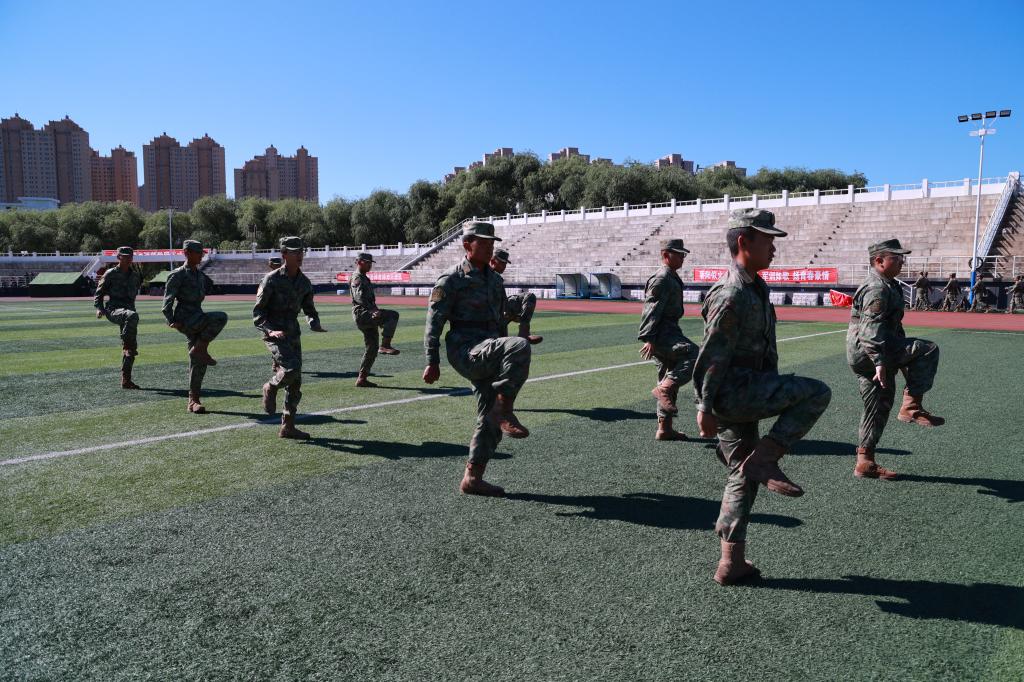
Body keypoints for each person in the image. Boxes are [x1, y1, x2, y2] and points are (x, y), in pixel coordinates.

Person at [693, 208, 832, 586]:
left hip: (745, 388)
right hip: (736, 392)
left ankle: (731, 562)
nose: (774, 247)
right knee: (816, 393)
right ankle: (766, 458)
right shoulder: (732, 293)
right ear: (744, 242)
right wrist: (704, 406)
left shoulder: (755, 285)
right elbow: (712, 355)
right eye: (768, 240)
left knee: (742, 474)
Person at [423, 222, 532, 497]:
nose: (489, 248)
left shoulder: (495, 280)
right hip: (465, 349)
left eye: (491, 243)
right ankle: (504, 410)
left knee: (489, 418)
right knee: (519, 347)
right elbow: (434, 322)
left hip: (490, 348)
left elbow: (500, 320)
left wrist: (516, 318)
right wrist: (432, 360)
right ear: (466, 244)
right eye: (483, 243)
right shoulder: (451, 279)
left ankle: (473, 477)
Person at [847, 239, 945, 482]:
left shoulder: (888, 284)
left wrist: (902, 361)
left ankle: (864, 462)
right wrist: (880, 361)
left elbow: (892, 327)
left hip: (871, 352)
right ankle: (911, 407)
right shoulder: (877, 288)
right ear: (879, 261)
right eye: (897, 257)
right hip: (871, 352)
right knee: (928, 349)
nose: (902, 261)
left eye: (902, 257)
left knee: (877, 405)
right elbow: (870, 329)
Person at [254, 236, 326, 439]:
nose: (299, 255)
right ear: (284, 254)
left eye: (301, 251)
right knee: (291, 369)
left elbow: (310, 309)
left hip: (293, 333)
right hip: (274, 334)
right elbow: (258, 313)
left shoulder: (304, 282)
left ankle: (288, 426)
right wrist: (270, 331)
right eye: (295, 252)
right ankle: (270, 386)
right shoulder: (271, 279)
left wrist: (314, 322)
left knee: (296, 382)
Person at [637, 238, 698, 441]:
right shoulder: (662, 278)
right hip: (662, 332)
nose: (682, 258)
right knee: (693, 354)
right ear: (665, 255)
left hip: (669, 330)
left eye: (683, 254)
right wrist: (649, 337)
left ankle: (664, 429)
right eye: (678, 254)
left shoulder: (670, 276)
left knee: (668, 373)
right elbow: (651, 309)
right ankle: (663, 389)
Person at [162, 239, 228, 414]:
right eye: (198, 253)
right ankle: (200, 349)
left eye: (202, 253)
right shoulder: (178, 275)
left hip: (197, 315)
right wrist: (171, 320)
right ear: (187, 253)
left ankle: (193, 401)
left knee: (199, 361)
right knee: (220, 317)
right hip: (185, 319)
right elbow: (167, 301)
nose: (201, 256)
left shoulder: (199, 275)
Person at [93, 246, 142, 389]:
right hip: (113, 310)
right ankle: (127, 345)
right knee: (131, 321)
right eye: (124, 256)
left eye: (129, 257)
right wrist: (99, 308)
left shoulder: (135, 276)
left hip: (129, 313)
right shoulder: (110, 274)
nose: (127, 259)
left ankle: (126, 380)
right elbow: (99, 293)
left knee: (131, 347)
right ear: (118, 257)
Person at [350, 252, 401, 387]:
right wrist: (372, 311)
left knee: (372, 348)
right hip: (363, 314)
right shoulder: (358, 278)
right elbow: (359, 297)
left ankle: (362, 378)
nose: (369, 265)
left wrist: (374, 310)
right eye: (367, 262)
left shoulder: (363, 277)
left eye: (370, 263)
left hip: (366, 313)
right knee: (393, 315)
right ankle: (385, 345)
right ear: (359, 262)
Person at [489, 249, 543, 344]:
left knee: (529, 297)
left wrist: (508, 312)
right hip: (490, 317)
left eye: (505, 264)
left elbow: (503, 299)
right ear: (493, 261)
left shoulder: (497, 277)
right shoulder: (483, 275)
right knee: (501, 344)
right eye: (502, 263)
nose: (504, 266)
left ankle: (524, 332)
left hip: (502, 311)